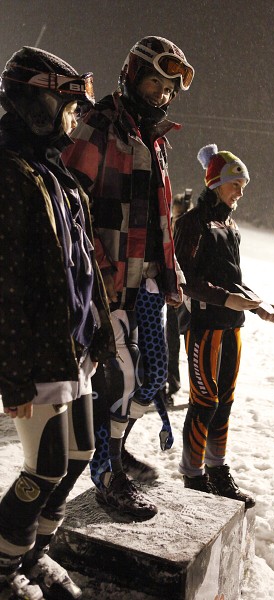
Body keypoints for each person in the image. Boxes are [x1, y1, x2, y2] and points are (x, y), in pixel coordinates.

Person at [0, 46, 115, 600]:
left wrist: (101, 330)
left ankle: (35, 552)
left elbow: (83, 260)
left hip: (73, 346)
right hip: (38, 349)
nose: (73, 121)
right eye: (67, 108)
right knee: (42, 467)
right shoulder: (9, 172)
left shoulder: (55, 172)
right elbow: (7, 283)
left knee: (78, 455)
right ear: (37, 103)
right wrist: (14, 375)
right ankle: (3, 568)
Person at [63, 36, 194, 515]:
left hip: (148, 282)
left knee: (153, 375)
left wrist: (172, 272)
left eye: (169, 88)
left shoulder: (155, 139)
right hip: (111, 282)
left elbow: (159, 217)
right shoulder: (101, 125)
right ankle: (107, 471)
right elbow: (68, 203)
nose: (162, 93)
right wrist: (98, 267)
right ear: (132, 76)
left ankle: (114, 445)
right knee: (119, 378)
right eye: (155, 82)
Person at [174, 144, 274, 509]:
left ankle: (217, 471)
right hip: (204, 326)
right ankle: (193, 476)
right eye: (236, 184)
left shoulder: (229, 225)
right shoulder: (192, 223)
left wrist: (256, 303)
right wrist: (225, 299)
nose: (241, 192)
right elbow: (184, 279)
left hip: (231, 325)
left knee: (224, 403)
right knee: (204, 402)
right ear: (216, 183)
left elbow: (233, 279)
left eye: (243, 185)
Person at [164, 189, 194, 406]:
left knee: (188, 347)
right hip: (173, 297)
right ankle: (171, 385)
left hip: (188, 298)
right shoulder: (171, 230)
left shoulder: (190, 233)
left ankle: (194, 389)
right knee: (171, 345)